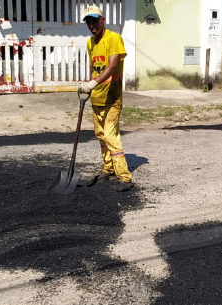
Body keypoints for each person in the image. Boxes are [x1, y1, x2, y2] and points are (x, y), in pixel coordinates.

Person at [79, 5, 133, 192]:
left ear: (103, 20)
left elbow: (111, 66)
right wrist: (89, 85)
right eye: (88, 21)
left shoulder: (114, 38)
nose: (91, 24)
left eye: (94, 20)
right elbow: (94, 67)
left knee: (111, 136)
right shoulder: (90, 42)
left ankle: (124, 177)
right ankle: (108, 167)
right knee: (101, 136)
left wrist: (93, 83)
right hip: (97, 97)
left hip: (112, 96)